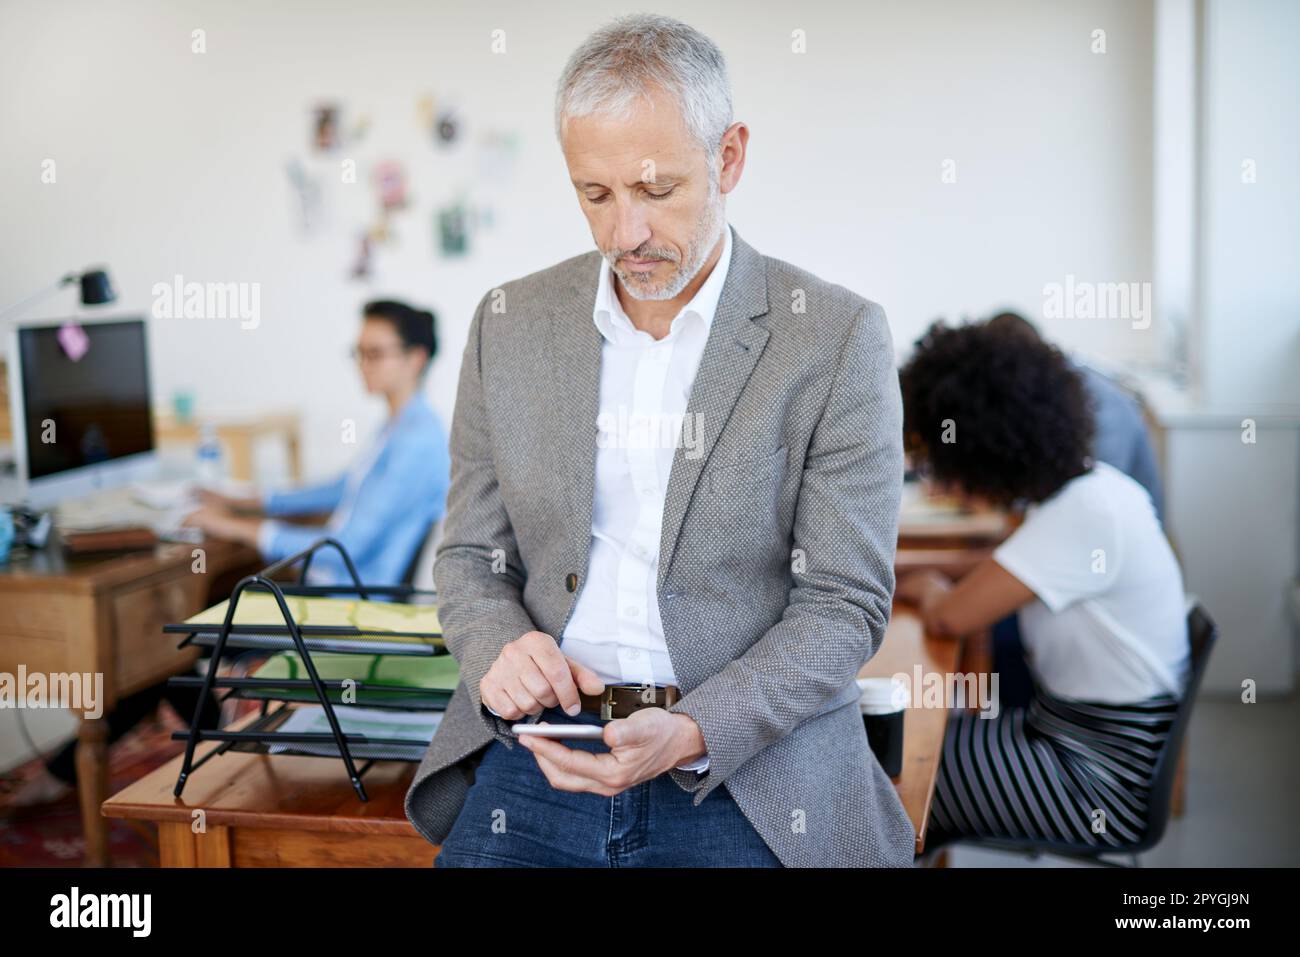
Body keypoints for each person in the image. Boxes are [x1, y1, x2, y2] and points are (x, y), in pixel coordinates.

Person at [404, 14, 912, 867]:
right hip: (541, 749)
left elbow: (843, 604)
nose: (622, 235)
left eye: (655, 189)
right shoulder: (510, 323)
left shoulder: (834, 338)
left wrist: (690, 729)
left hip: (746, 761)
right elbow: (466, 557)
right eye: (594, 196)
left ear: (730, 157)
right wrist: (498, 646)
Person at [894, 319, 1190, 852]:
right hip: (1081, 738)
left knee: (885, 771)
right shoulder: (1092, 490)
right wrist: (921, 575)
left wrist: (925, 584)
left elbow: (948, 617)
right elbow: (1003, 566)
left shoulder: (1081, 514)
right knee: (912, 741)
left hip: (1099, 778)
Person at [185, 300, 451, 587]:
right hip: (341, 590)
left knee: (217, 602)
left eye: (374, 354)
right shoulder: (403, 424)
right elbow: (343, 487)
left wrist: (236, 527)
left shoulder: (417, 440)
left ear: (416, 358)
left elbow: (345, 549)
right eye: (358, 353)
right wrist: (249, 500)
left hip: (355, 606)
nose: (363, 365)